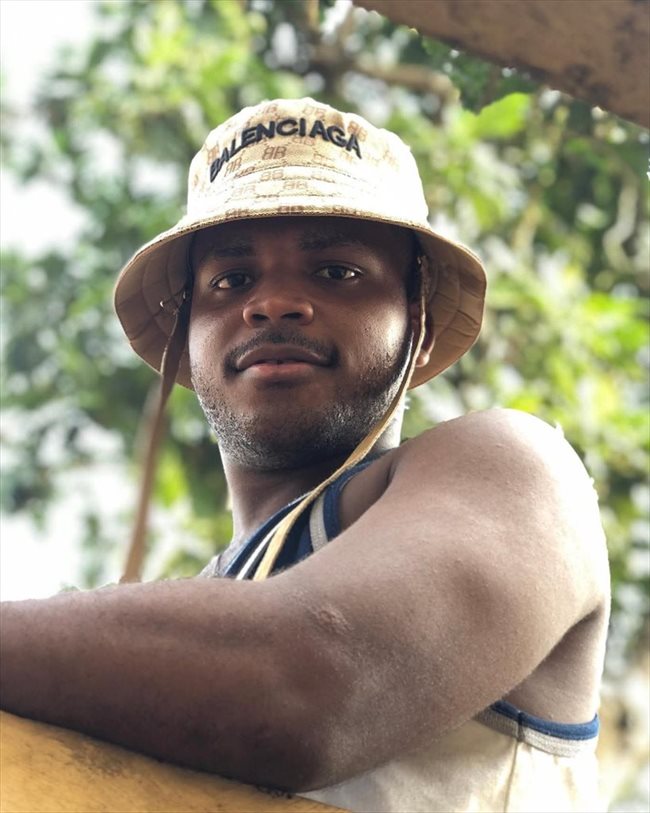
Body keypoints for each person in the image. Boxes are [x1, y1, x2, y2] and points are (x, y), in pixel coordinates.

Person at [0, 98, 610, 813]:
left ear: (416, 318)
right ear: (185, 336)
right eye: (232, 280)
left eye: (336, 272)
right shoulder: (180, 626)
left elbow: (308, 683)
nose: (274, 303)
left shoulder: (515, 467)